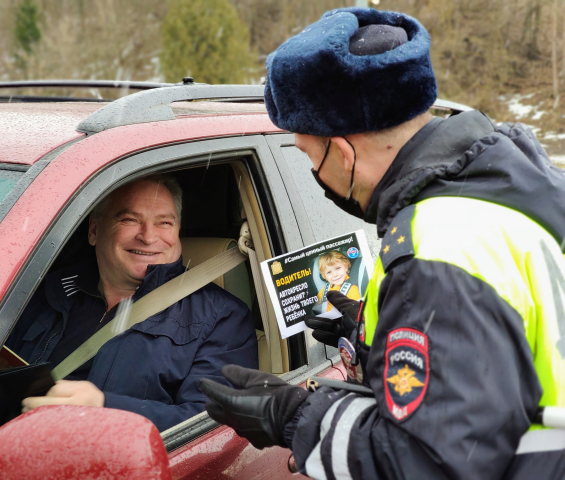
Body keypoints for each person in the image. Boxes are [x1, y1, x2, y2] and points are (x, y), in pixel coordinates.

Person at [199, 7, 565, 480]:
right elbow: (500, 353)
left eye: (310, 157)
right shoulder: (510, 193)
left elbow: (433, 462)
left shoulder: (439, 245)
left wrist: (293, 417)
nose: (315, 174)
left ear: (344, 152)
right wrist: (373, 341)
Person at [0, 174, 258, 435]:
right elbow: (14, 413)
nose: (148, 236)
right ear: (95, 230)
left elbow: (217, 427)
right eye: (129, 220)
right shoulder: (43, 294)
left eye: (164, 222)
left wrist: (103, 408)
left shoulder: (222, 317)